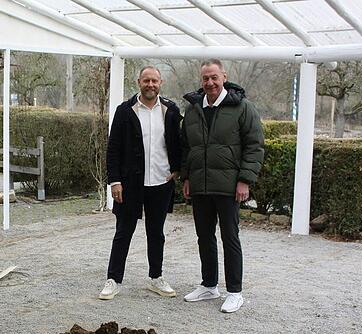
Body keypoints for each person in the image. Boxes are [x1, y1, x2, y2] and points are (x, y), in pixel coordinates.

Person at [180, 59, 265, 313]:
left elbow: (254, 145)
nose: (210, 83)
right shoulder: (193, 110)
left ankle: (235, 292)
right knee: (204, 237)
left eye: (214, 77)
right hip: (200, 185)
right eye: (205, 78)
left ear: (224, 77)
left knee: (230, 237)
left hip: (229, 186)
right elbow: (186, 147)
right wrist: (187, 177)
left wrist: (245, 180)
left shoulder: (242, 107)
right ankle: (209, 285)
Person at [99, 65, 182, 300]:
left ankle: (156, 277)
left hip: (161, 182)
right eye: (146, 81)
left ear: (161, 83)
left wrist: (177, 168)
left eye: (154, 81)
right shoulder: (125, 111)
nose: (150, 85)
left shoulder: (170, 110)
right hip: (129, 184)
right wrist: (114, 181)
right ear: (139, 82)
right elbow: (113, 148)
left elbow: (178, 142)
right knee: (123, 232)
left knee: (156, 233)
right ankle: (113, 280)